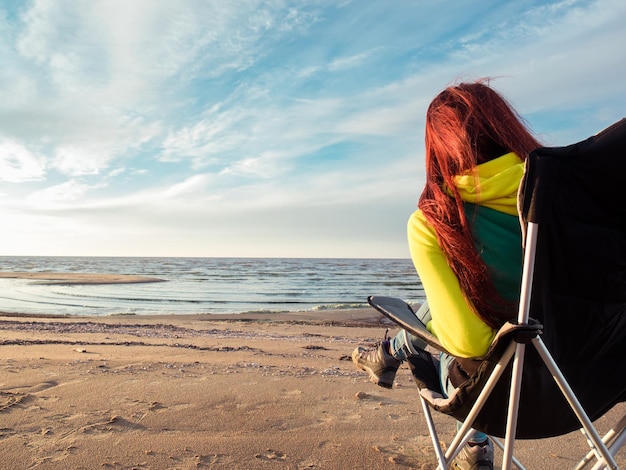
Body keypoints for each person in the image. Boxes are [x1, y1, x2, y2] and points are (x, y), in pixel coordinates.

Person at [352, 80, 541, 470]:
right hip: (595, 381)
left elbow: (469, 344)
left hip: (513, 395)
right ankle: (388, 355)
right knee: (468, 298)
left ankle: (395, 354)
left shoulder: (435, 223)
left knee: (461, 323)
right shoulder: (574, 194)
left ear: (440, 149)